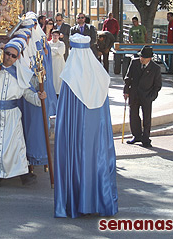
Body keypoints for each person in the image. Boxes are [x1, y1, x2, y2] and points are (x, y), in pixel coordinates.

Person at [54, 34, 118, 218]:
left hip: (76, 135)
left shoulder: (69, 77)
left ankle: (76, 203)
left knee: (77, 162)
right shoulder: (101, 76)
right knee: (96, 162)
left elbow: (64, 114)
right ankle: (99, 201)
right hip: (97, 133)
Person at [0, 40, 46, 187]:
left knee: (16, 145)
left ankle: (23, 173)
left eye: (13, 56)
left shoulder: (20, 74)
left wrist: (39, 98)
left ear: (17, 57)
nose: (9, 57)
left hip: (12, 114)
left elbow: (28, 94)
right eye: (7, 53)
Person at [124, 45, 162, 148]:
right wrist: (126, 91)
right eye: (141, 57)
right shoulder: (134, 62)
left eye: (144, 58)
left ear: (149, 58)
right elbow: (128, 78)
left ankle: (146, 139)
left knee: (147, 118)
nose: (142, 59)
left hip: (147, 96)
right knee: (133, 115)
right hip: (134, 94)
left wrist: (152, 96)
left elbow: (157, 85)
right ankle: (136, 136)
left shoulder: (155, 68)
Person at [49, 30, 65, 95]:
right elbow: (48, 53)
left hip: (59, 65)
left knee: (58, 80)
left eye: (57, 35)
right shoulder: (48, 43)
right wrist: (56, 50)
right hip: (51, 64)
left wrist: (52, 49)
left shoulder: (62, 44)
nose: (55, 37)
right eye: (54, 35)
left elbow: (61, 51)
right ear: (51, 35)